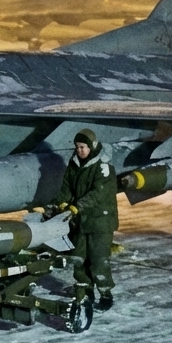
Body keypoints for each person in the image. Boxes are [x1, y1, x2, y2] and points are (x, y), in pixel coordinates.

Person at [49, 129, 118, 311]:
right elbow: (66, 186)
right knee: (78, 258)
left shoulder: (103, 167)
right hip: (81, 221)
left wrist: (76, 207)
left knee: (98, 260)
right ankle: (85, 290)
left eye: (83, 147)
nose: (80, 150)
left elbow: (98, 194)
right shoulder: (75, 164)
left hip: (100, 222)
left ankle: (105, 294)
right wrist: (62, 202)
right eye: (77, 147)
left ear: (92, 146)